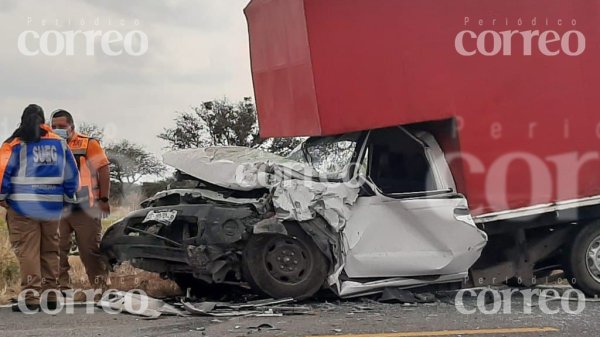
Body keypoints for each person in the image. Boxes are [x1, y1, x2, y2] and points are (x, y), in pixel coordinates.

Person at [0, 104, 80, 312]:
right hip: (52, 207)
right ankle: (51, 295)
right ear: (44, 120)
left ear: (22, 119)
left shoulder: (14, 143)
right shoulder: (60, 143)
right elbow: (72, 176)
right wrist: (68, 196)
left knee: (28, 251)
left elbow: (2, 173)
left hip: (22, 207)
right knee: (50, 250)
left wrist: (2, 197)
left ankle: (31, 297)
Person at [50, 109, 111, 295]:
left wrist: (104, 199)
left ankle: (100, 288)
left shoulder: (87, 144)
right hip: (59, 207)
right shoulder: (48, 146)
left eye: (62, 126)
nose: (58, 130)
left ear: (72, 126)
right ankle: (62, 288)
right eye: (54, 127)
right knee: (56, 250)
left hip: (86, 206)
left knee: (89, 250)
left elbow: (103, 169)